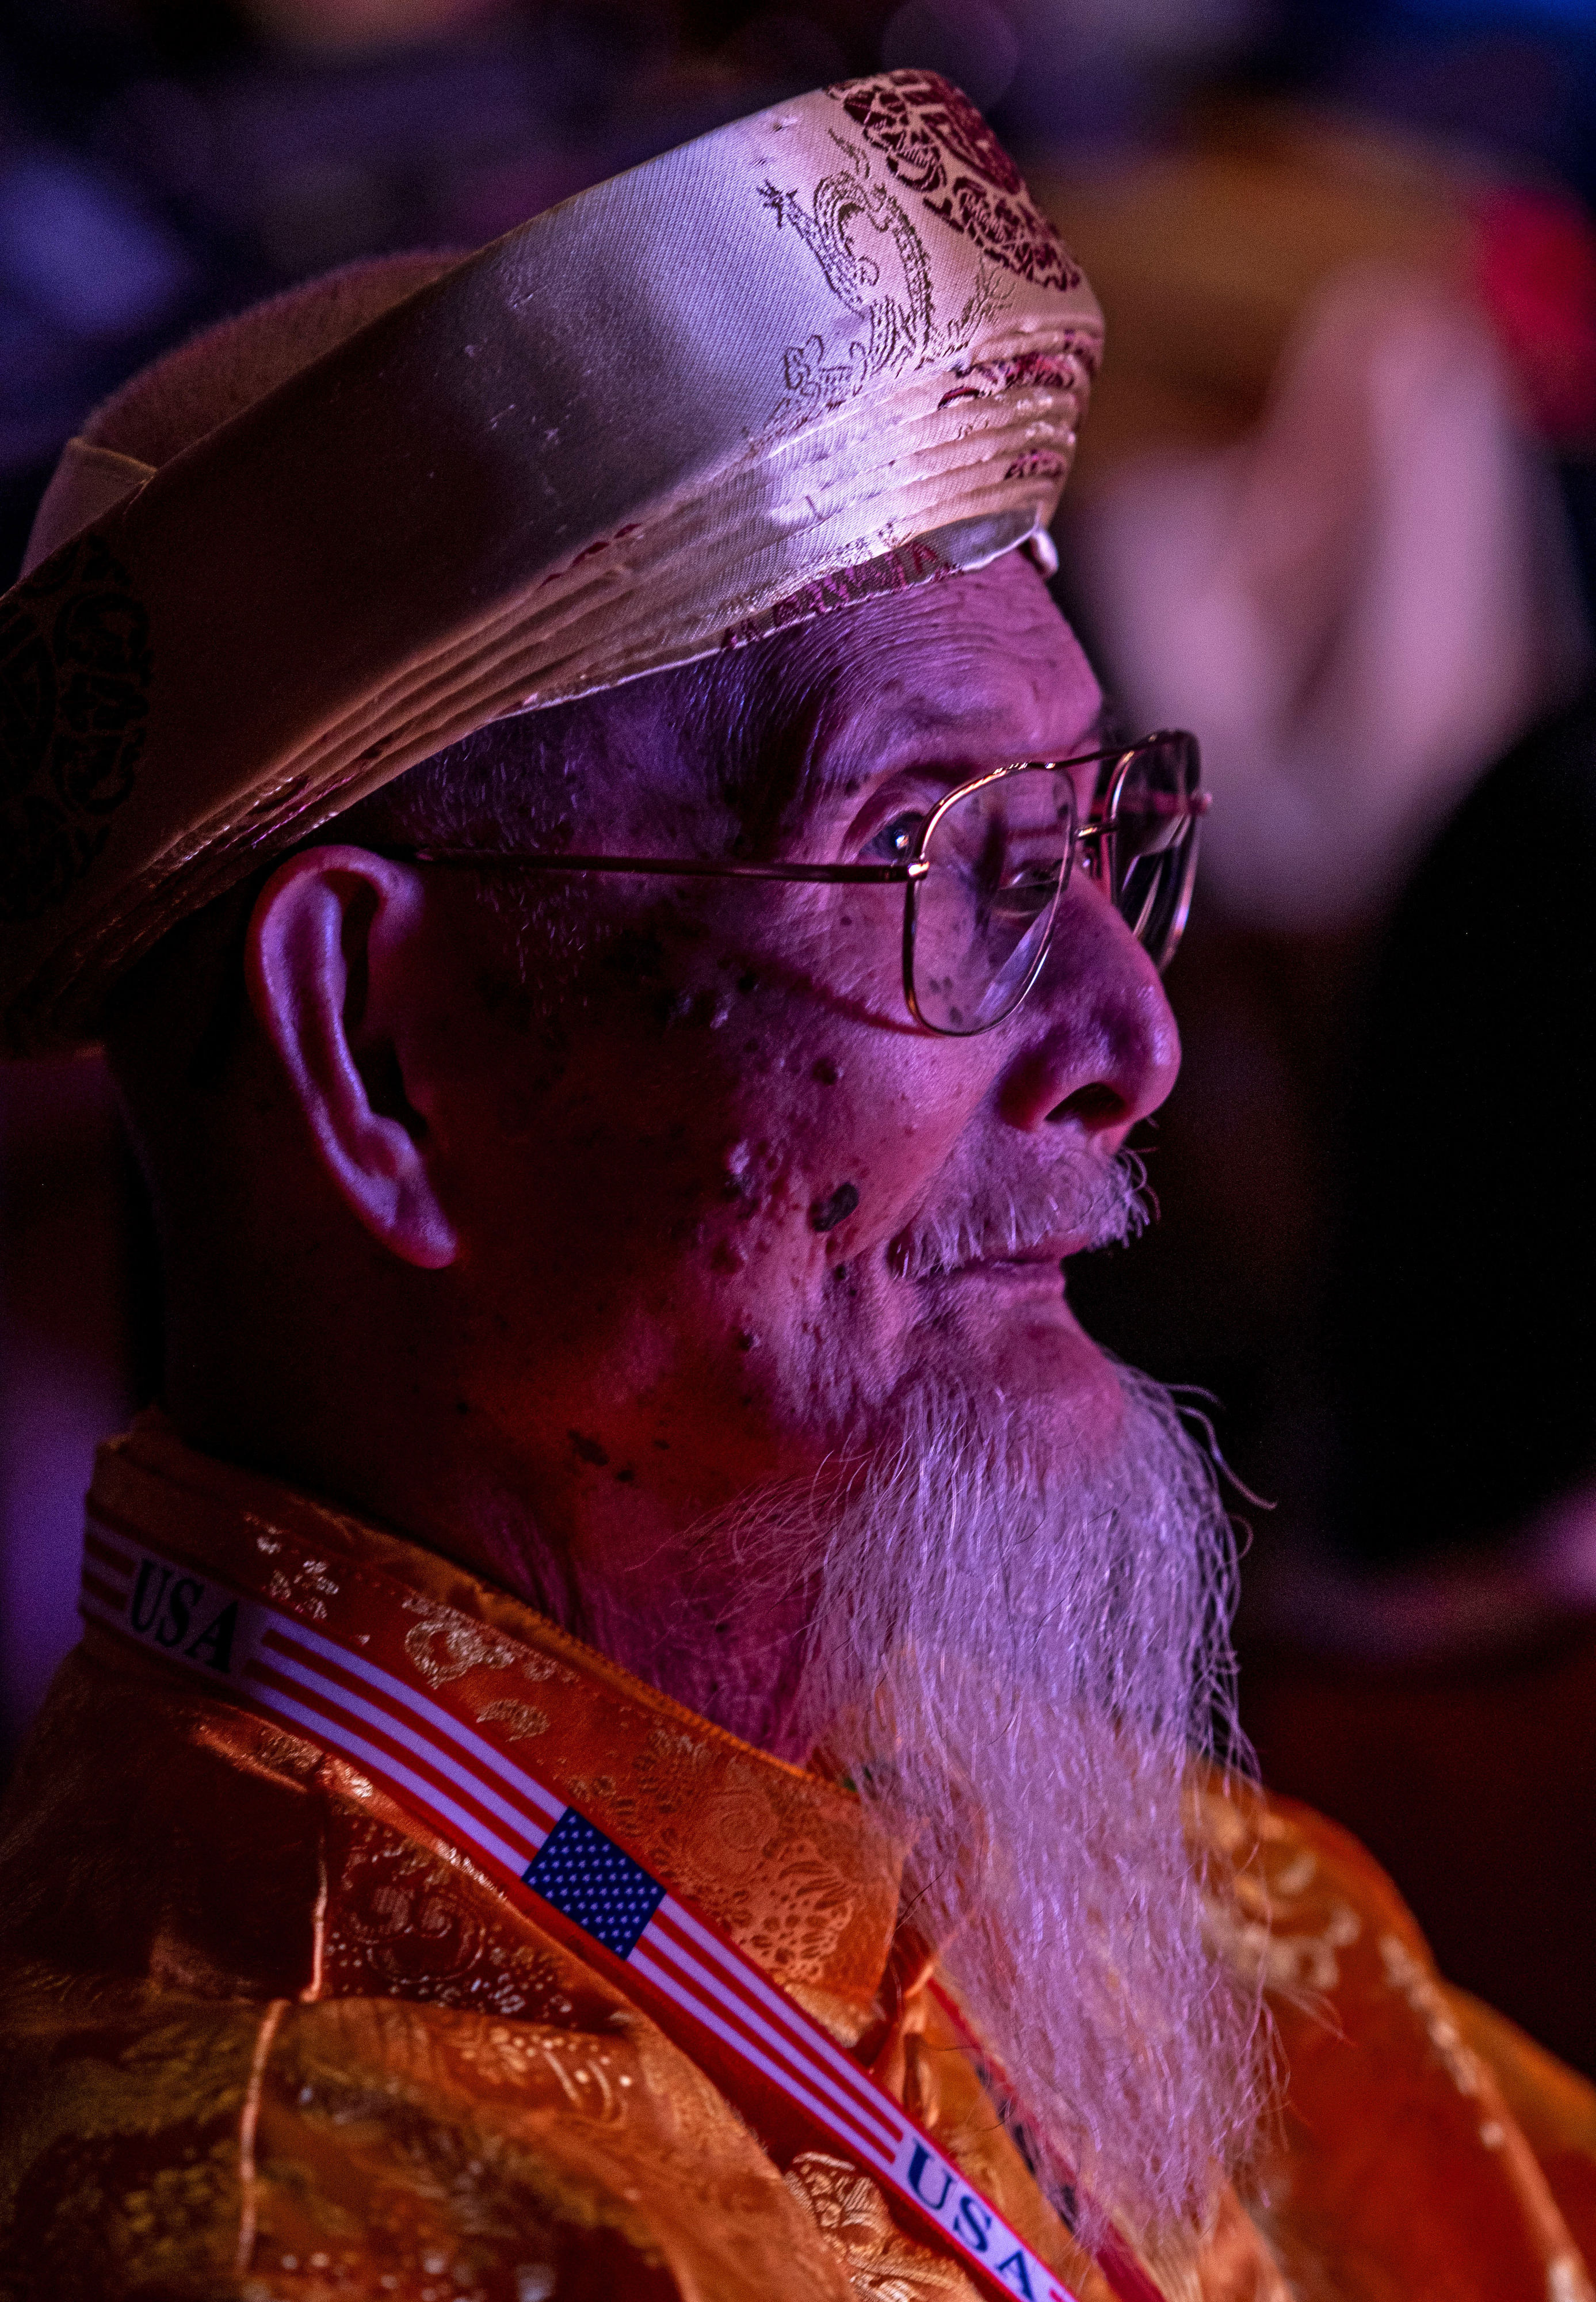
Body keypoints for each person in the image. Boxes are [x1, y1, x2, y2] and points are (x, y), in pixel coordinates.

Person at [1, 70, 1592, 2302]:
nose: (1123, 1040)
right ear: (378, 1050)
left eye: (1091, 844)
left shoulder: (1130, 1893)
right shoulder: (288, 2216)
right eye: (943, 856)